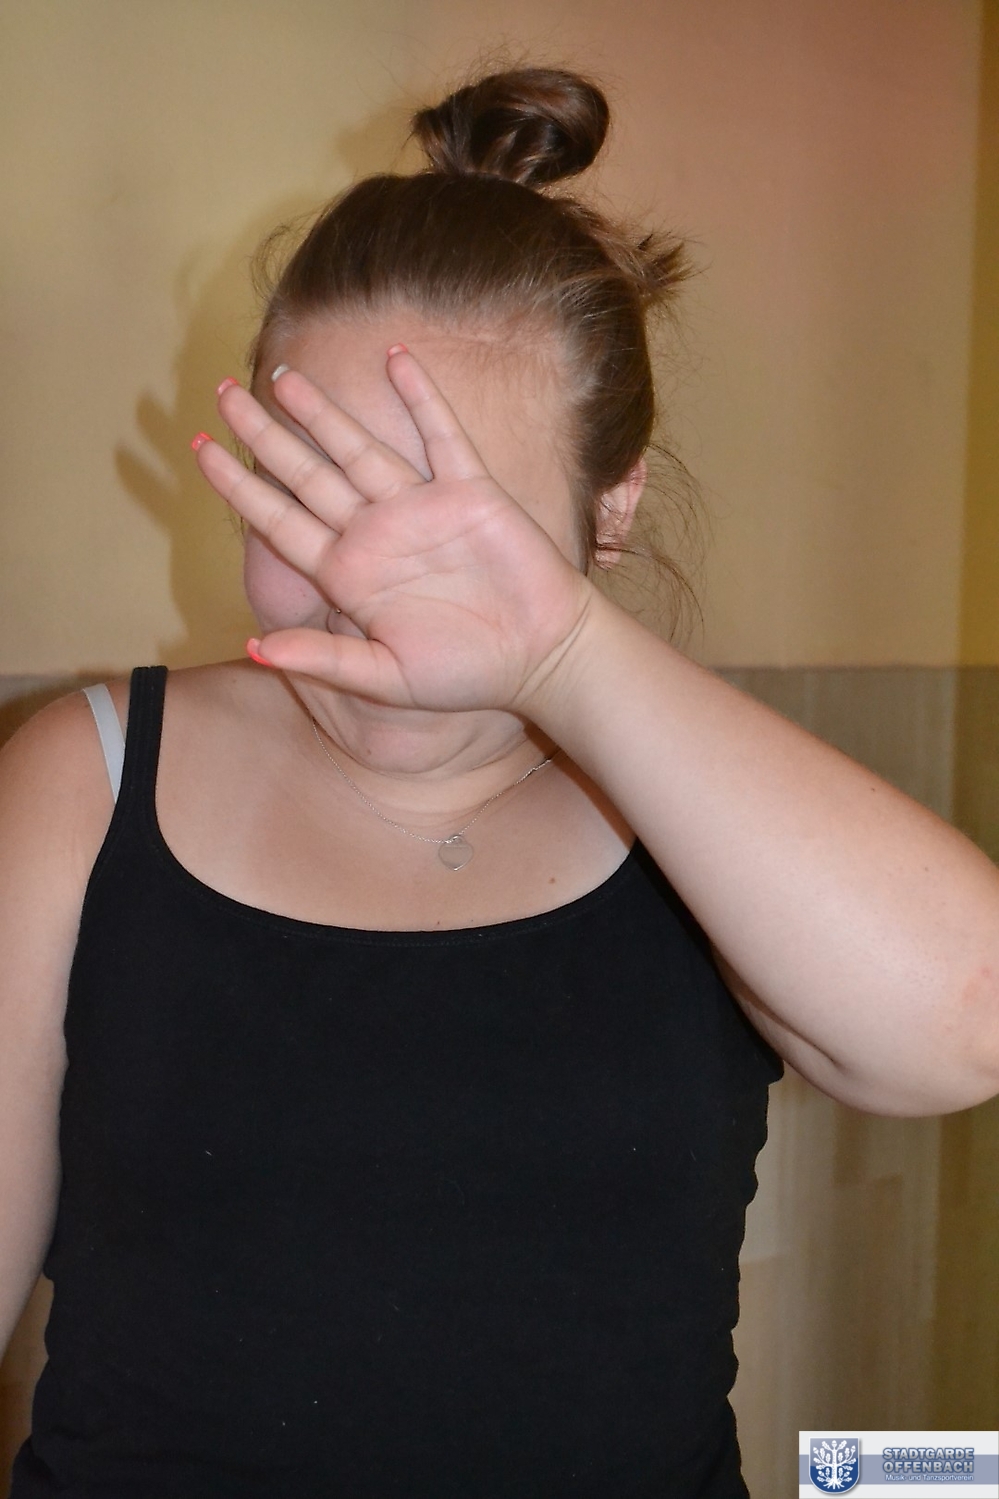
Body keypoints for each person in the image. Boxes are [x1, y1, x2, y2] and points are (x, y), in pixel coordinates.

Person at [1, 65, 997, 1499]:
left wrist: (560, 655)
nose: (373, 589)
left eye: (457, 527)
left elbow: (965, 1028)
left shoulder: (693, 809)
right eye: (312, 499)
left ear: (610, 510)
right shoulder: (82, 785)